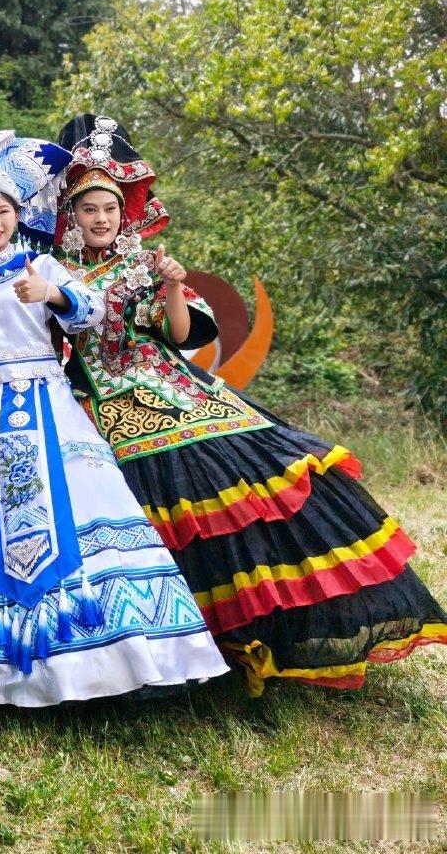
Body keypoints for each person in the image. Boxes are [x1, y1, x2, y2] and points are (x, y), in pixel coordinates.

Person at [55, 113, 447, 692]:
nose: (101, 218)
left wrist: (171, 285)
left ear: (124, 212)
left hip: (165, 385)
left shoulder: (144, 265)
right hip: (90, 399)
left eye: (110, 208)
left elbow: (181, 334)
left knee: (239, 475)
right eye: (89, 209)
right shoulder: (52, 272)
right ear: (71, 215)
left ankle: (247, 632)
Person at [0, 128, 227, 707]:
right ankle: (2, 672)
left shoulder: (42, 264)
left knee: (79, 517)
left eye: (4, 211)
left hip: (46, 402)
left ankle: (111, 658)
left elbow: (89, 312)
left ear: (20, 215)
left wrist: (52, 293)